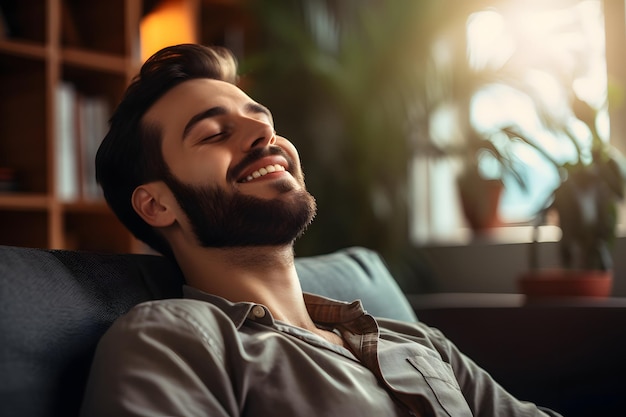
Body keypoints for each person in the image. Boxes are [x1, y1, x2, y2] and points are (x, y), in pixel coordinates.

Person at [80, 44, 561, 417]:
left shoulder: (416, 342)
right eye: (213, 134)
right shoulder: (174, 341)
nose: (264, 136)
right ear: (156, 204)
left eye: (260, 120)